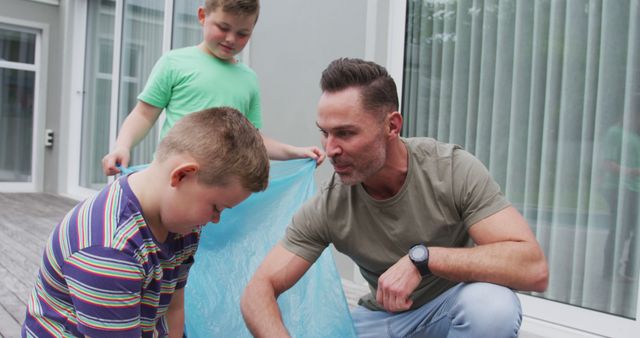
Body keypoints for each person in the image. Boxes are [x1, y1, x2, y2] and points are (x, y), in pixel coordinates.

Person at [240, 58, 549, 337]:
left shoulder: (451, 170)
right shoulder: (330, 207)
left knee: (493, 307)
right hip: (384, 319)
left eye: (346, 133)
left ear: (392, 125)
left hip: (450, 310)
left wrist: (425, 260)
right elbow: (258, 291)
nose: (331, 148)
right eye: (325, 132)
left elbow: (532, 268)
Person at [23, 107, 269, 337]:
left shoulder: (183, 225)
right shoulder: (110, 250)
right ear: (182, 175)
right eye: (216, 207)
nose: (215, 220)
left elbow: (173, 308)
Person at [102, 0, 323, 176]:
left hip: (221, 191)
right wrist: (122, 146)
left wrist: (295, 152)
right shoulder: (174, 63)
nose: (231, 39)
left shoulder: (248, 79)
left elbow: (253, 140)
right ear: (202, 16)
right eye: (223, 27)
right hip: (173, 182)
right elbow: (144, 114)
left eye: (242, 33)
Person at [601, 109, 640, 282]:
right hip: (620, 188)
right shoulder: (615, 133)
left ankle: (630, 272)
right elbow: (607, 163)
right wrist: (632, 172)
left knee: (633, 230)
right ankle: (610, 271)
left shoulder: (633, 135)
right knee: (620, 230)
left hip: (634, 189)